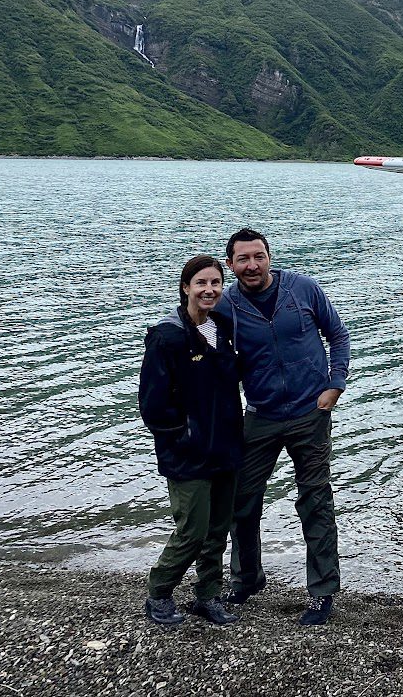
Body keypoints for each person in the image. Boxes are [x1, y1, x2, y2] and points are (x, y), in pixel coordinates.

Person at [215, 227, 350, 625]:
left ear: (269, 257)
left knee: (316, 501)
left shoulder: (303, 289)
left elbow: (338, 335)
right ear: (231, 265)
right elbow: (206, 345)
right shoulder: (227, 305)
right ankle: (247, 578)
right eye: (243, 259)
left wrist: (335, 384)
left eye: (258, 256)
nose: (252, 265)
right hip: (261, 415)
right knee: (242, 502)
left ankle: (323, 591)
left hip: (311, 412)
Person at [139, 255, 244, 626]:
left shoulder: (224, 326)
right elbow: (152, 404)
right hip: (187, 453)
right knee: (192, 530)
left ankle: (208, 596)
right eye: (201, 283)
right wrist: (181, 436)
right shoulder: (167, 336)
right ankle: (160, 592)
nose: (209, 290)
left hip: (227, 446)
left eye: (216, 283)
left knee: (218, 529)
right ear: (186, 287)